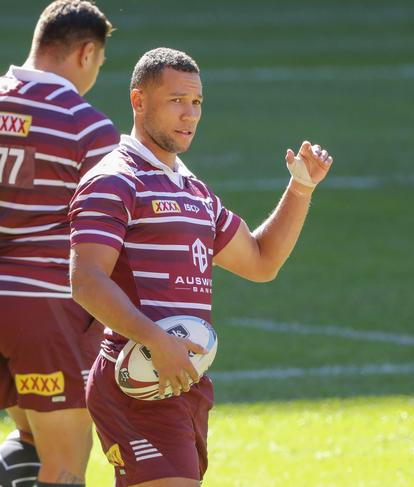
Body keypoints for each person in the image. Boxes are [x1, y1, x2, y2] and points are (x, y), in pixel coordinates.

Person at [67, 47, 333, 486]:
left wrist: (300, 189)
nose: (189, 114)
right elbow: (86, 280)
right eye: (176, 101)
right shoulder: (113, 180)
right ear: (138, 101)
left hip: (182, 382)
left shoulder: (195, 193)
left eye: (197, 103)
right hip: (137, 380)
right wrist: (155, 339)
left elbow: (261, 261)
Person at [0, 1, 118, 485]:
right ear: (86, 53)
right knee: (65, 463)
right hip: (42, 311)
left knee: (27, 436)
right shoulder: (87, 126)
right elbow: (115, 230)